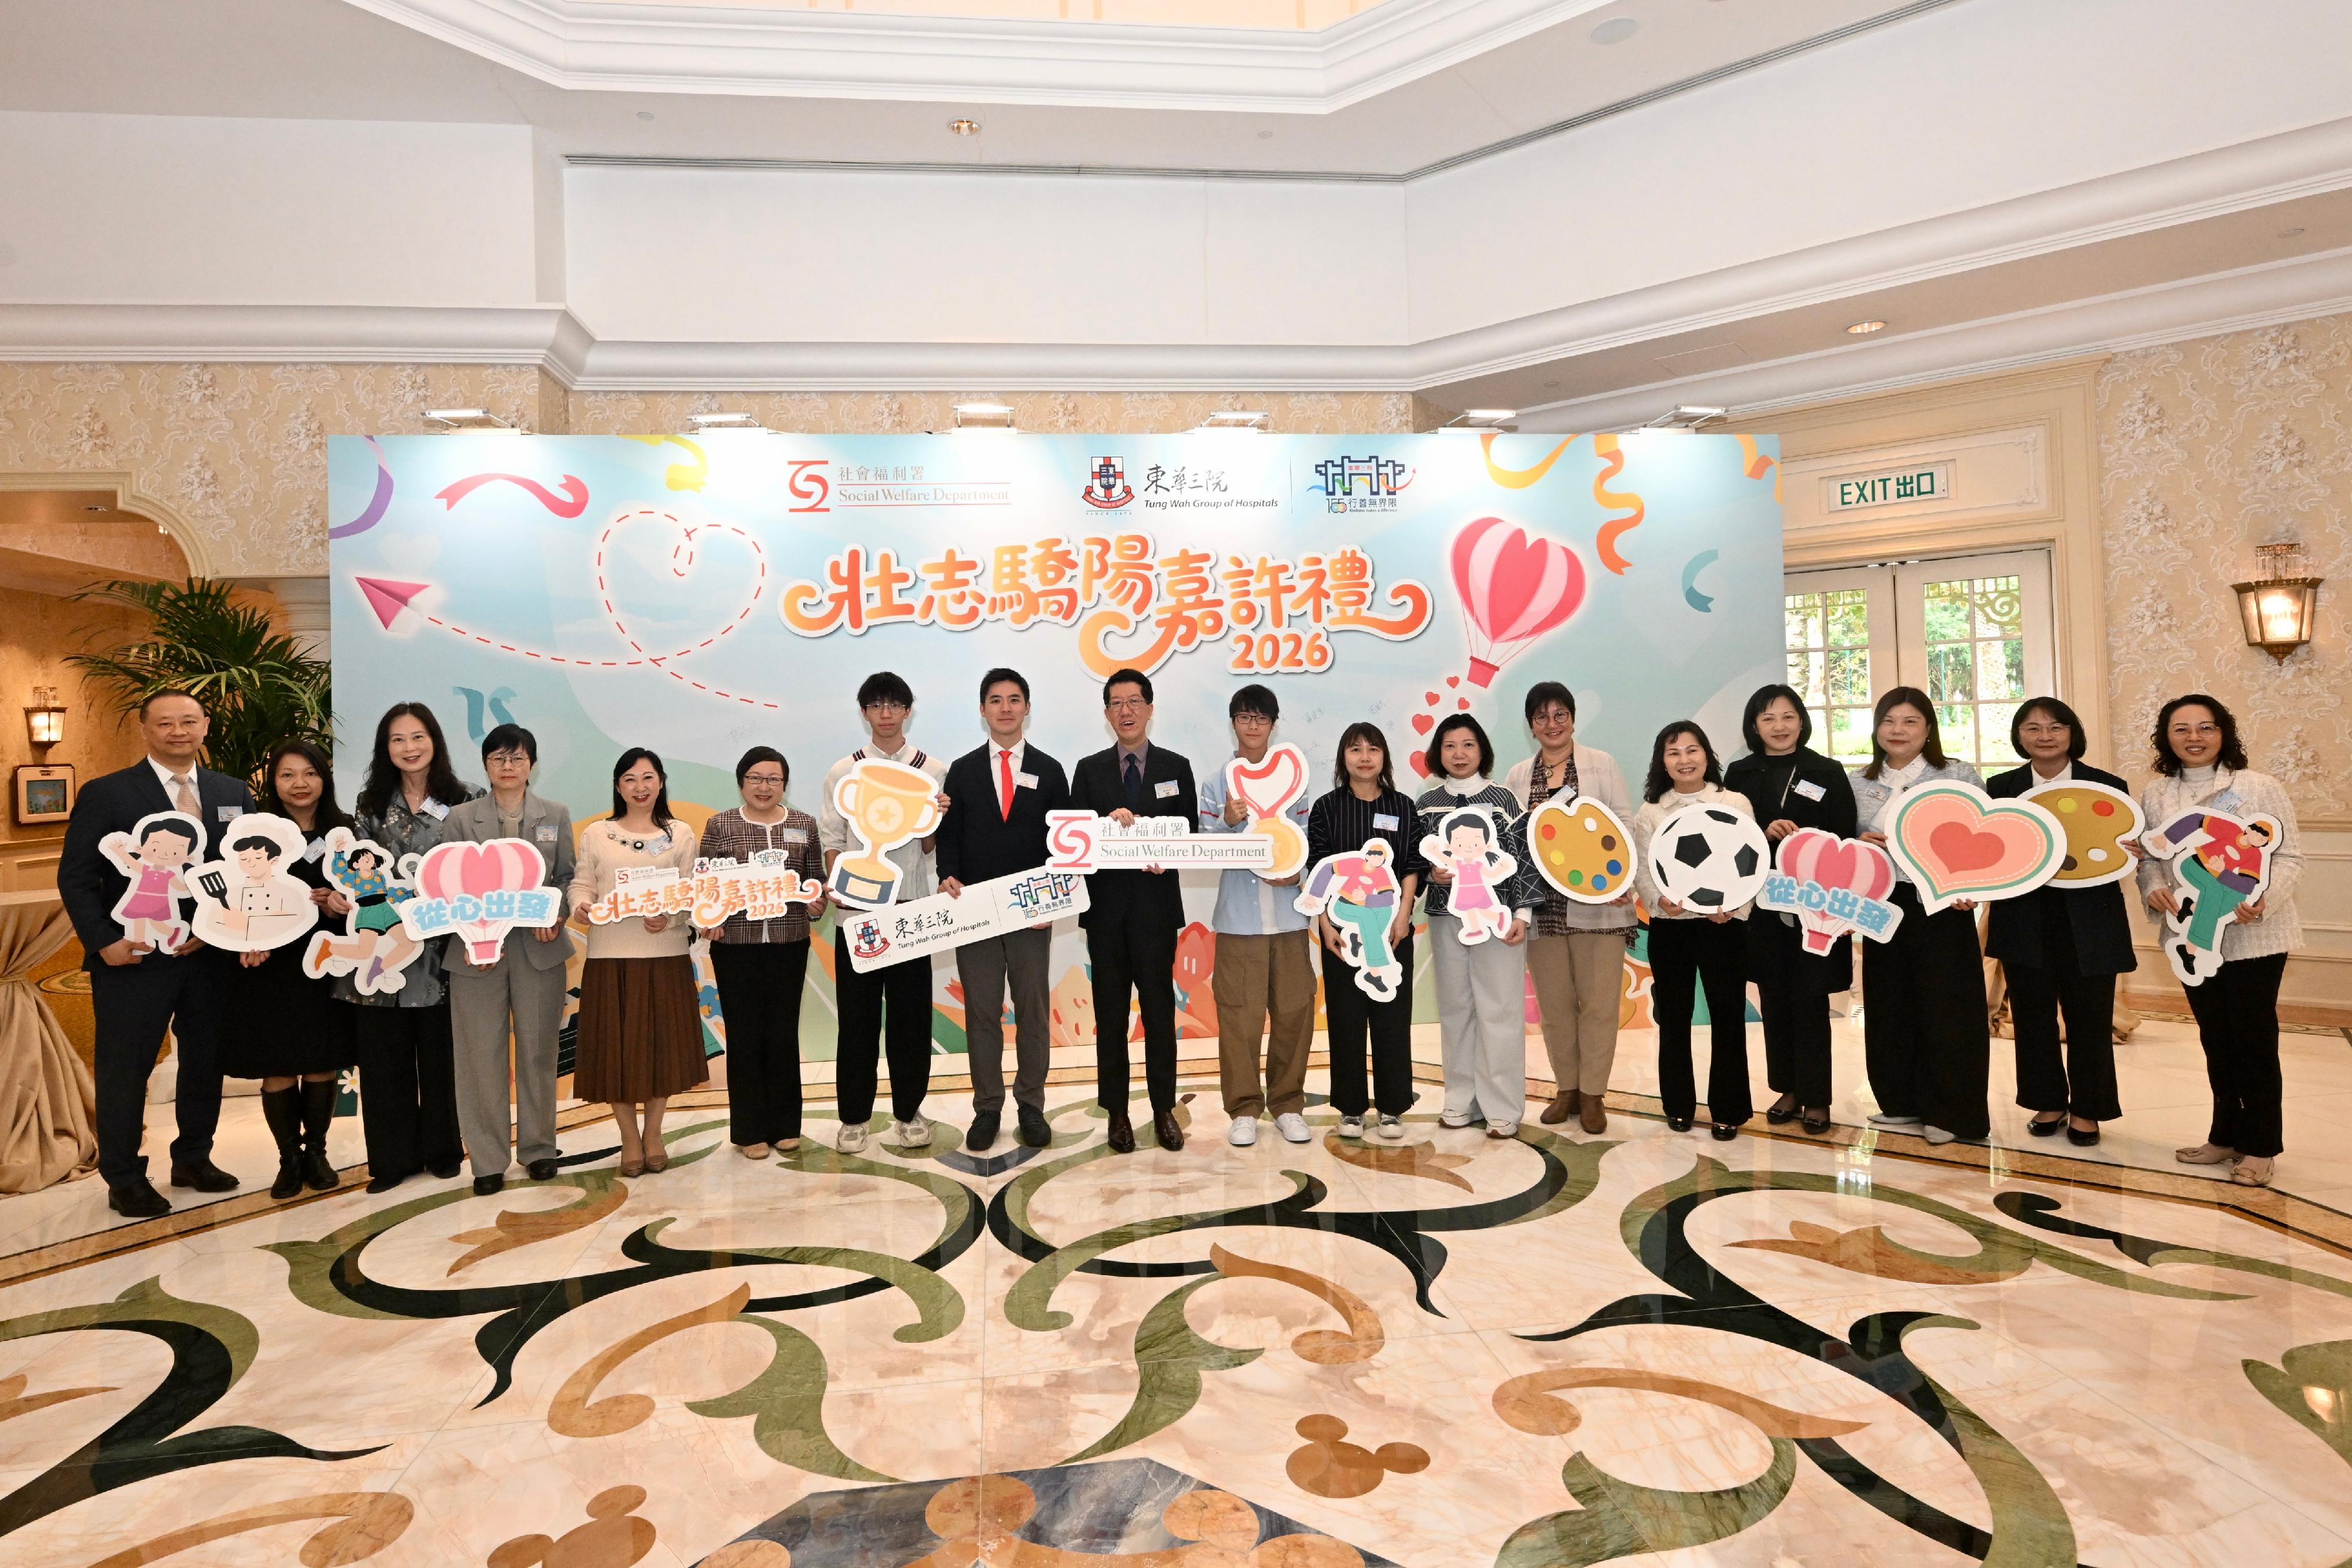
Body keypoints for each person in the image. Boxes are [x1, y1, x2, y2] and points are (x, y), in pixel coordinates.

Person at [59, 691, 254, 1216]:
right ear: (144, 729)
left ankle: (194, 1155)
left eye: (188, 721)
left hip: (207, 956)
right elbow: (76, 876)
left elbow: (244, 873)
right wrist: (104, 942)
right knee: (126, 1067)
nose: (177, 731)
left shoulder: (231, 791)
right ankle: (123, 1176)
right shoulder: (108, 793)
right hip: (134, 956)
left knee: (203, 1060)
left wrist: (219, 931)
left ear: (205, 726)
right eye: (165, 723)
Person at [2137, 693, 2303, 1188]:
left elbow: (2289, 856)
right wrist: (2154, 886)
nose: (2194, 737)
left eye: (2206, 728)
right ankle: (2225, 1134)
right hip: (2190, 933)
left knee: (2253, 1038)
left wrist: (2263, 901)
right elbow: (2149, 858)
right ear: (2166, 738)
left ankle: (2261, 1146)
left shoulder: (2259, 786)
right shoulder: (2157, 792)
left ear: (2224, 733)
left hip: (2255, 933)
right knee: (2215, 1038)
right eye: (2182, 729)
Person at [339, 702, 481, 1193]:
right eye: (398, 739)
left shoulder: (466, 799)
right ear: (386, 748)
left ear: (435, 741)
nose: (409, 748)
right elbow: (357, 869)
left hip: (445, 949)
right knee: (383, 1059)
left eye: (418, 737)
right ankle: (390, 1160)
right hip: (384, 946)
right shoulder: (369, 803)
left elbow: (476, 869)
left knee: (442, 1056)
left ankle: (444, 1150)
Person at [1984, 698, 2134, 1148]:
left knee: (2090, 1017)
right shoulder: (2000, 787)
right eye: (2032, 728)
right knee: (2031, 1018)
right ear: (2019, 736)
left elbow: (2122, 849)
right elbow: (1992, 852)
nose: (2044, 736)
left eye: (2055, 726)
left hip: (2090, 921)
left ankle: (2089, 1108)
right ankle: (2047, 1100)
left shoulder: (2107, 786)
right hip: (2023, 918)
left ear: (2072, 733)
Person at [936, 668, 1069, 1152]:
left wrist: (1058, 893)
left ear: (1027, 707)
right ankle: (987, 1108)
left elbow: (1064, 842)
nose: (1006, 708)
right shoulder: (964, 769)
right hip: (975, 910)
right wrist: (946, 872)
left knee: (1033, 1009)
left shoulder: (1051, 770)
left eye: (1015, 699)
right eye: (996, 700)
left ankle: (1031, 1106)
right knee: (982, 1011)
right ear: (983, 709)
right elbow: (949, 834)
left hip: (1032, 911)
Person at [817, 672, 950, 1154]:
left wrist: (937, 817)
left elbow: (932, 845)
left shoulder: (932, 769)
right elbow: (832, 840)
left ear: (908, 710)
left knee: (912, 1019)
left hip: (912, 907)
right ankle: (854, 1118)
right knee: (857, 1019)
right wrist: (840, 885)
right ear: (865, 712)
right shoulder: (844, 771)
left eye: (895, 704)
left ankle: (909, 1111)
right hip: (858, 916)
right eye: (877, 705)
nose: (887, 713)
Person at [1068, 667, 1198, 1154]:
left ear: (1149, 707)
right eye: (1116, 703)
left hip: (1156, 912)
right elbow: (1072, 842)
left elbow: (1189, 834)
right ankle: (1117, 1112)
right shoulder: (1088, 769)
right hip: (1104, 914)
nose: (1126, 710)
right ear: (1106, 713)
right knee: (1111, 1015)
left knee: (1160, 1014)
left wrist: (1148, 829)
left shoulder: (1175, 765)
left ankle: (1163, 1107)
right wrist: (1106, 826)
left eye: (1134, 701)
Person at [441, 724, 575, 1195]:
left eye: (517, 759)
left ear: (531, 765)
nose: (508, 767)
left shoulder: (554, 814)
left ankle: (539, 1149)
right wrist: (473, 933)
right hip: (477, 954)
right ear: (486, 765)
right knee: (481, 1056)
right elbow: (447, 884)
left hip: (538, 950)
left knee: (539, 1052)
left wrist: (555, 914)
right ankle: (487, 1159)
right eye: (498, 759)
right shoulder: (460, 818)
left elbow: (566, 877)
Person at [1851, 686, 1987, 1146]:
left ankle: (1953, 1111)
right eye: (1889, 721)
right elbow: (1845, 842)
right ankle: (1901, 1102)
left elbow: (1980, 837)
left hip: (1941, 903)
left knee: (1948, 1007)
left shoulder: (1957, 774)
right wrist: (1859, 845)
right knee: (1890, 1003)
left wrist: (1970, 889)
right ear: (1877, 728)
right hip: (1883, 904)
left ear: (1928, 728)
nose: (1898, 730)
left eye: (1910, 721)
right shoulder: (1858, 781)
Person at [221, 740, 357, 1199]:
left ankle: (317, 1153)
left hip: (326, 958)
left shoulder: (345, 830)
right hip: (267, 963)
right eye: (287, 774)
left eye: (310, 773)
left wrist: (340, 902)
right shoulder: (253, 832)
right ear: (272, 782)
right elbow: (232, 897)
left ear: (325, 778)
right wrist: (247, 939)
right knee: (276, 1062)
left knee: (321, 1060)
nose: (300, 784)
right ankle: (288, 1160)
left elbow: (369, 894)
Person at [1724, 684, 1856, 1136]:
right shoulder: (1739, 773)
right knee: (1775, 999)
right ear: (1753, 726)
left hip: (1816, 908)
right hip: (1763, 908)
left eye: (1787, 716)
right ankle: (1788, 1089)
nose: (1779, 726)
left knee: (1812, 999)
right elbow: (1728, 837)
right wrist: (1764, 831)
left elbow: (1845, 839)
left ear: (1802, 720)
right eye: (1768, 718)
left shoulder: (1827, 770)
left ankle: (1817, 1097)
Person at [1504, 683, 1635, 1134]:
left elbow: (1624, 823)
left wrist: (1624, 881)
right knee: (1555, 1005)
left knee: (1598, 1004)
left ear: (1573, 719)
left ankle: (1594, 1094)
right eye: (1541, 717)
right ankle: (1567, 1089)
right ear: (1531, 725)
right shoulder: (1519, 774)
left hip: (1598, 906)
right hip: (1542, 910)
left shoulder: (1601, 764)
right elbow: (1512, 840)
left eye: (1560, 715)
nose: (1552, 724)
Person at [568, 748, 705, 1176]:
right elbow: (582, 882)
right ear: (617, 785)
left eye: (648, 778)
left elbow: (691, 892)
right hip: (611, 956)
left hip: (665, 955)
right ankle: (629, 1137)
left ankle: (654, 1134)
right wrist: (581, 905)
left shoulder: (681, 833)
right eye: (630, 778)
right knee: (616, 1053)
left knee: (663, 1049)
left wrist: (671, 915)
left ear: (661, 782)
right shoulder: (597, 834)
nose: (640, 787)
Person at [1197, 684, 1315, 1149]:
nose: (1253, 726)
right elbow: (1203, 846)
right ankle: (1244, 1107)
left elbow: (1309, 839)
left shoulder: (1296, 778)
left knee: (1294, 1011)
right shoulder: (1216, 782)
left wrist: (1297, 874)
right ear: (1233, 723)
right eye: (1244, 717)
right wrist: (1227, 820)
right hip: (1237, 920)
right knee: (1239, 1017)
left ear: (1273, 723)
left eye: (1261, 718)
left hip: (1289, 918)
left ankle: (1288, 1104)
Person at [698, 746, 826, 1161]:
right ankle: (749, 1129)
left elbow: (816, 881)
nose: (764, 786)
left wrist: (818, 902)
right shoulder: (721, 825)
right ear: (741, 782)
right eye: (756, 777)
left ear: (785, 784)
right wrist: (710, 916)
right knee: (746, 1035)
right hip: (737, 946)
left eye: (773, 779)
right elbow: (707, 885)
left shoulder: (804, 825)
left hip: (790, 941)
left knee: (783, 1032)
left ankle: (786, 1125)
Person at [1416, 713, 1539, 1139]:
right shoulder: (1426, 802)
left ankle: (1503, 1106)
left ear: (1482, 750)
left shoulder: (1504, 798)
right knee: (1455, 1009)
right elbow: (1416, 863)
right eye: (1450, 745)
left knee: (1500, 1009)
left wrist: (1523, 914)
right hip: (1446, 917)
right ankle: (1461, 1098)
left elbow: (1525, 857)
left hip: (1498, 919)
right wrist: (1433, 874)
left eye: (1468, 744)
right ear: (1439, 753)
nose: (1459, 753)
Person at [1631, 722, 1755, 1140]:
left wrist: (1735, 908)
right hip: (1671, 928)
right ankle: (1678, 1105)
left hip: (1723, 928)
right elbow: (1644, 869)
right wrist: (1658, 901)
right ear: (1661, 761)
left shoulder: (1734, 802)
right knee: (1674, 1016)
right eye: (1673, 752)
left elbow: (1753, 864)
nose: (1684, 760)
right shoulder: (1651, 811)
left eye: (1692, 750)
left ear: (1707, 755)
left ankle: (1729, 1109)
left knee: (1727, 1017)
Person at [1306, 723, 1425, 1140]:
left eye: (1373, 749)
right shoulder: (1326, 808)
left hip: (1392, 928)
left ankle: (1392, 1107)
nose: (1364, 757)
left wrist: (1404, 915)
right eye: (1355, 749)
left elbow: (1412, 865)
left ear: (1384, 757)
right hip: (1340, 928)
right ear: (1343, 758)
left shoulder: (1403, 806)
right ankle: (1352, 1108)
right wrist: (1323, 924)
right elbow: (1318, 869)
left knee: (1393, 1016)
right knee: (1346, 1017)